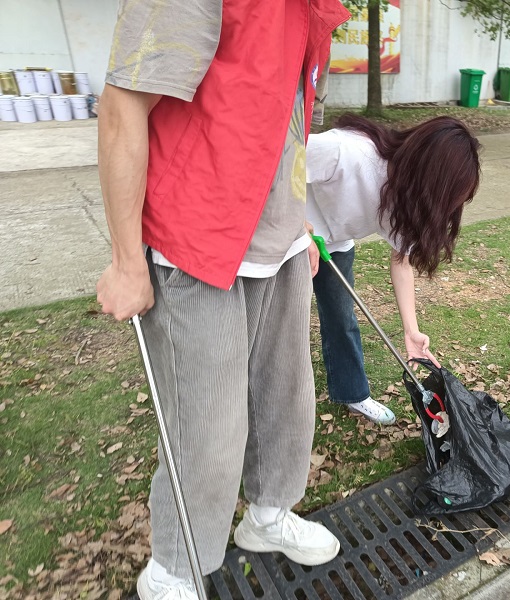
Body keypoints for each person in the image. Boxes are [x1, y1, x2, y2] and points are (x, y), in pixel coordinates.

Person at [95, 1, 351, 598]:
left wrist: (299, 225)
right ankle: (174, 572)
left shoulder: (309, 8)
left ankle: (267, 517)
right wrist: (128, 260)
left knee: (286, 400)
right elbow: (122, 107)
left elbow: (284, 118)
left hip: (278, 242)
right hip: (195, 241)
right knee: (208, 429)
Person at [305, 114, 482, 425]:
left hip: (334, 243)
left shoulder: (404, 194)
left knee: (341, 318)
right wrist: (297, 228)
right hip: (289, 239)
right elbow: (274, 169)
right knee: (283, 329)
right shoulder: (345, 152)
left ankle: (352, 394)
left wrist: (411, 331)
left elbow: (401, 259)